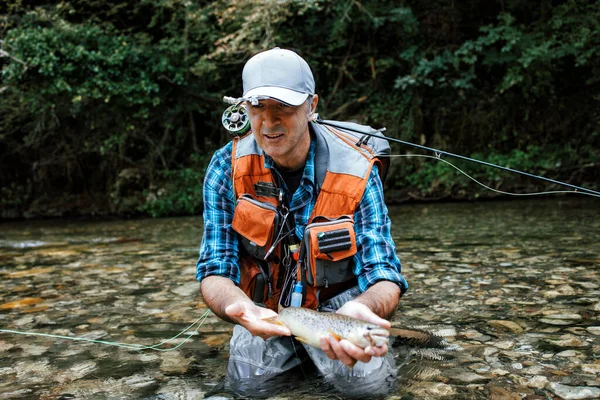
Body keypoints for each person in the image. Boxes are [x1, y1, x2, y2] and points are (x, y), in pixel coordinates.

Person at [196, 47, 408, 397]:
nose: (269, 120)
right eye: (258, 106)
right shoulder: (224, 169)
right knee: (247, 389)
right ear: (243, 108)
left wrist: (362, 310)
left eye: (284, 106)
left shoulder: (356, 171)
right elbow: (215, 270)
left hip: (338, 310)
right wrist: (239, 307)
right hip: (266, 312)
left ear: (312, 106)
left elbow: (384, 275)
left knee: (371, 390)